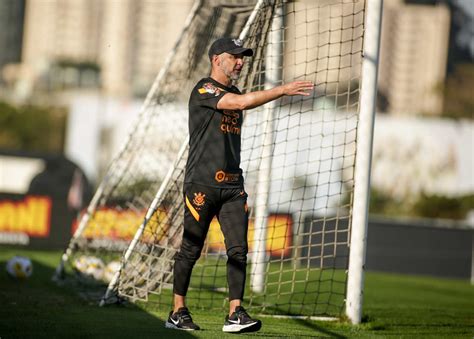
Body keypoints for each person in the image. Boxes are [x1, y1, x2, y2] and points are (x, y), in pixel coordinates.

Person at [165, 37, 314, 333]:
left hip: (233, 186)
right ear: (216, 58)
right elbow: (242, 103)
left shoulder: (233, 90)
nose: (240, 61)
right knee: (191, 249)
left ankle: (236, 313)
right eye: (234, 56)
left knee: (238, 249)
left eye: (242, 56)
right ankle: (177, 311)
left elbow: (240, 101)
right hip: (201, 186)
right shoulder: (204, 89)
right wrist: (283, 89)